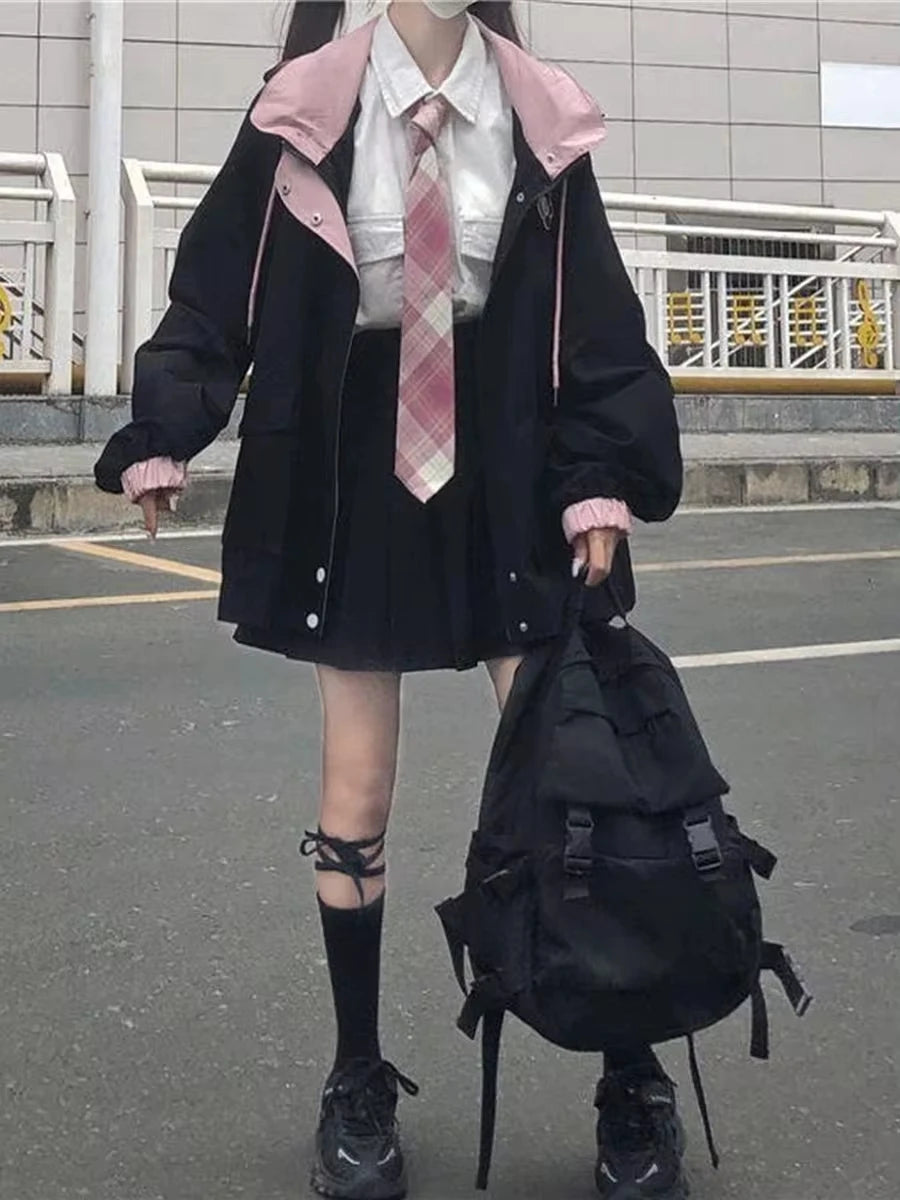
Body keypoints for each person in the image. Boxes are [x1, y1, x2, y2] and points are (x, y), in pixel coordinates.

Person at [95, 2, 684, 1197]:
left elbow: (594, 319)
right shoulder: (303, 106)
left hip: (509, 471)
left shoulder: (536, 113)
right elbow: (217, 293)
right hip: (354, 477)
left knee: (580, 777)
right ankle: (356, 1076)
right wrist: (163, 428)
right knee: (354, 791)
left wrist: (602, 477)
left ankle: (632, 1075)